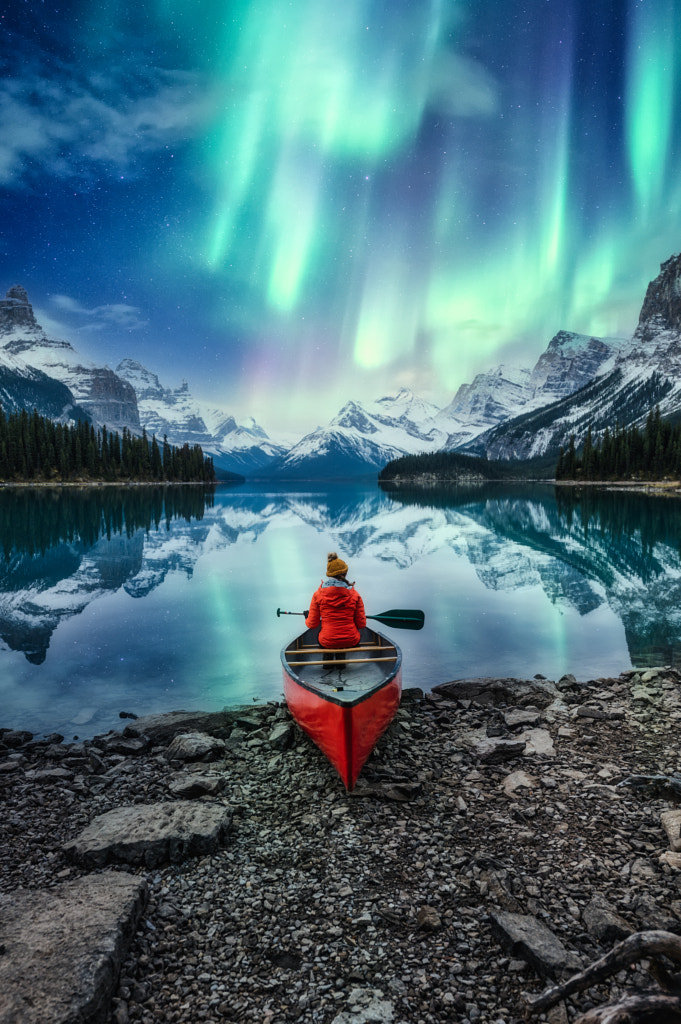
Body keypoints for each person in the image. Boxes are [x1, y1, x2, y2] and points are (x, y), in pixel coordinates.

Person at [305, 552, 366, 650]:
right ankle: (342, 665)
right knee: (343, 642)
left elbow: (312, 625)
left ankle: (327, 665)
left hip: (327, 641)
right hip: (351, 640)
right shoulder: (355, 595)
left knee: (325, 640)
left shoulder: (318, 595)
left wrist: (307, 617)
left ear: (329, 574)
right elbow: (361, 625)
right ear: (345, 573)